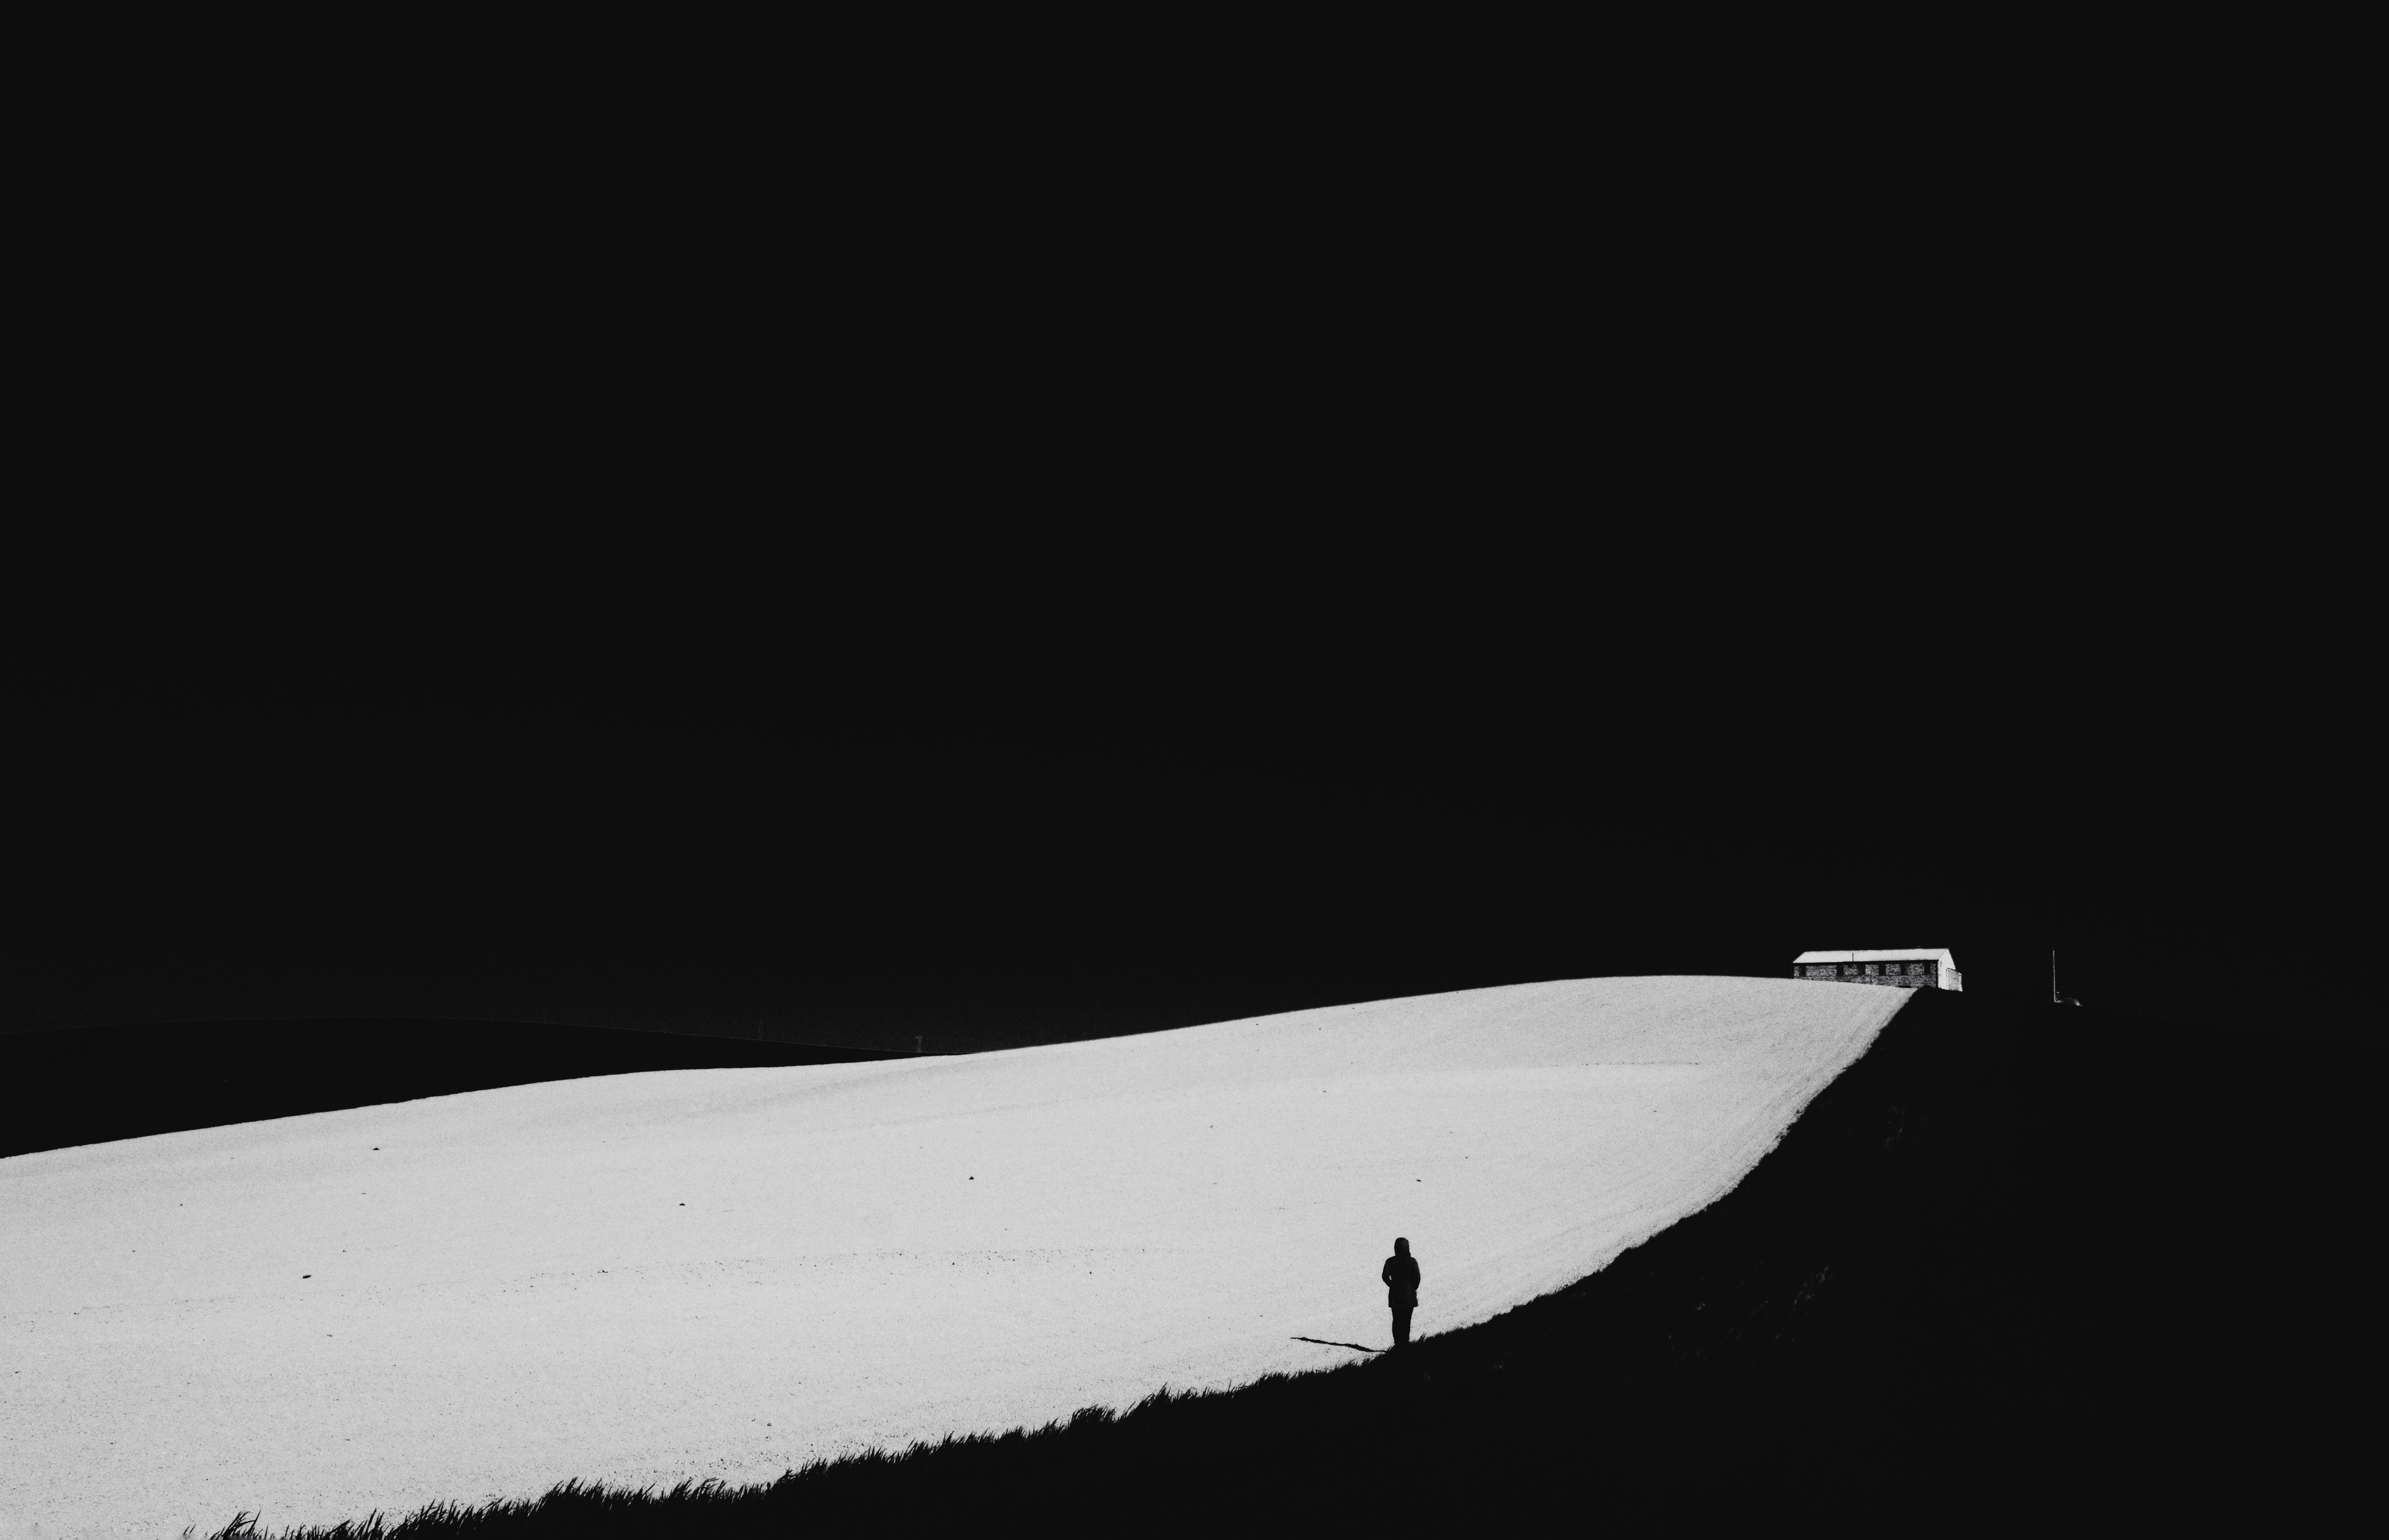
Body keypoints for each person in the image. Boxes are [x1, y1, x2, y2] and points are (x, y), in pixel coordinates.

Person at [1381, 1237, 1420, 1348]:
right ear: (1407, 1247)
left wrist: (1393, 1286)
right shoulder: (1413, 1261)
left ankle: (1397, 1344)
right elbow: (1417, 1278)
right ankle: (1405, 1344)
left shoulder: (1390, 1261)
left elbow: (1385, 1277)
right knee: (1407, 1321)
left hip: (1395, 1297)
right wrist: (1412, 1289)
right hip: (1409, 1297)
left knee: (1397, 1320)